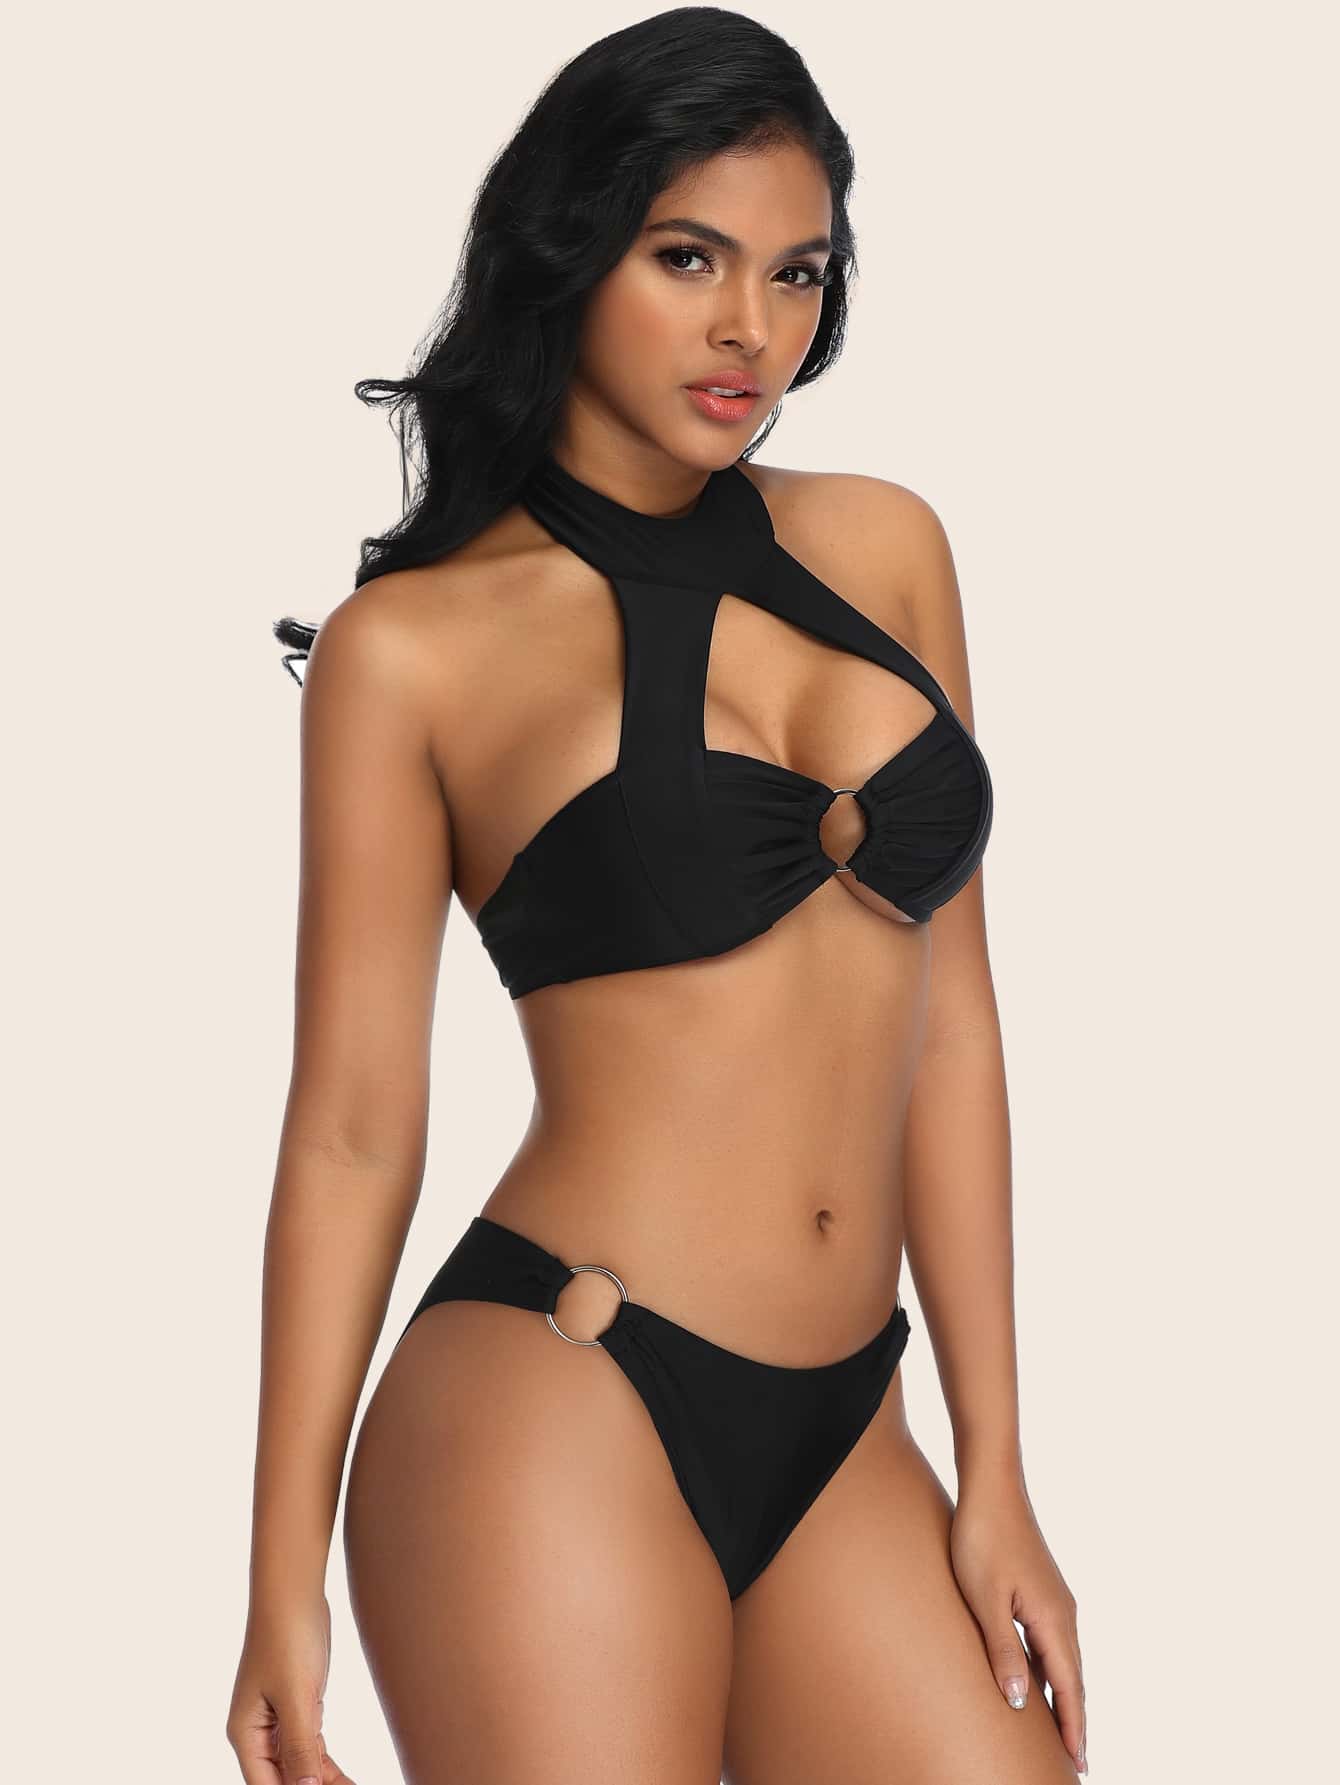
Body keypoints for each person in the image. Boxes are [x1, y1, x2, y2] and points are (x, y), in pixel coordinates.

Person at [227, 10, 1086, 1783]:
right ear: (571, 249)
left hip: (852, 1431)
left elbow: (954, 1030)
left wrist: (995, 1460)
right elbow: (356, 1129)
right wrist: (277, 1575)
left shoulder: (890, 546)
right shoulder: (412, 652)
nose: (749, 327)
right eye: (687, 257)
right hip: (559, 1390)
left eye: (796, 272)